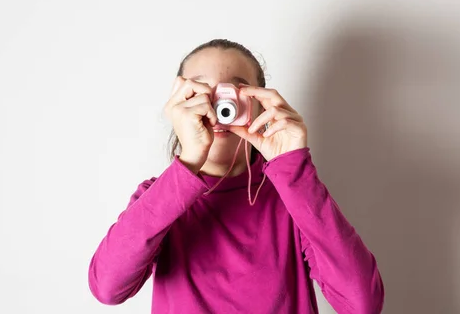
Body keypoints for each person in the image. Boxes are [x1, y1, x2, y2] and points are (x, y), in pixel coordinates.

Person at [87, 39, 385, 313]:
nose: (218, 107)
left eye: (235, 91)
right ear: (180, 104)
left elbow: (362, 304)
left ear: (260, 105)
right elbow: (108, 288)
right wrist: (189, 161)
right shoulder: (157, 198)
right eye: (202, 92)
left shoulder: (293, 196)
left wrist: (293, 170)